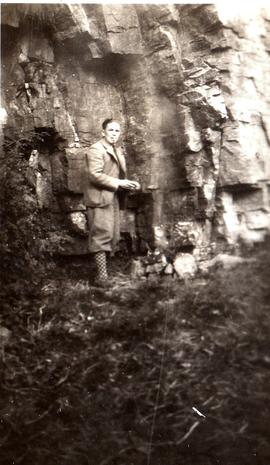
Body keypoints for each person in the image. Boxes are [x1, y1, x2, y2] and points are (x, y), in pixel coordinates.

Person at [84, 118, 140, 285]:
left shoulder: (116, 150)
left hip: (112, 197)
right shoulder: (95, 150)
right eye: (111, 130)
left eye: (117, 131)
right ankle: (101, 278)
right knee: (101, 235)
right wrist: (119, 183)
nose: (114, 134)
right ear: (103, 132)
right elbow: (95, 175)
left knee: (112, 235)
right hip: (99, 198)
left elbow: (116, 175)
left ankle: (105, 274)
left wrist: (128, 183)